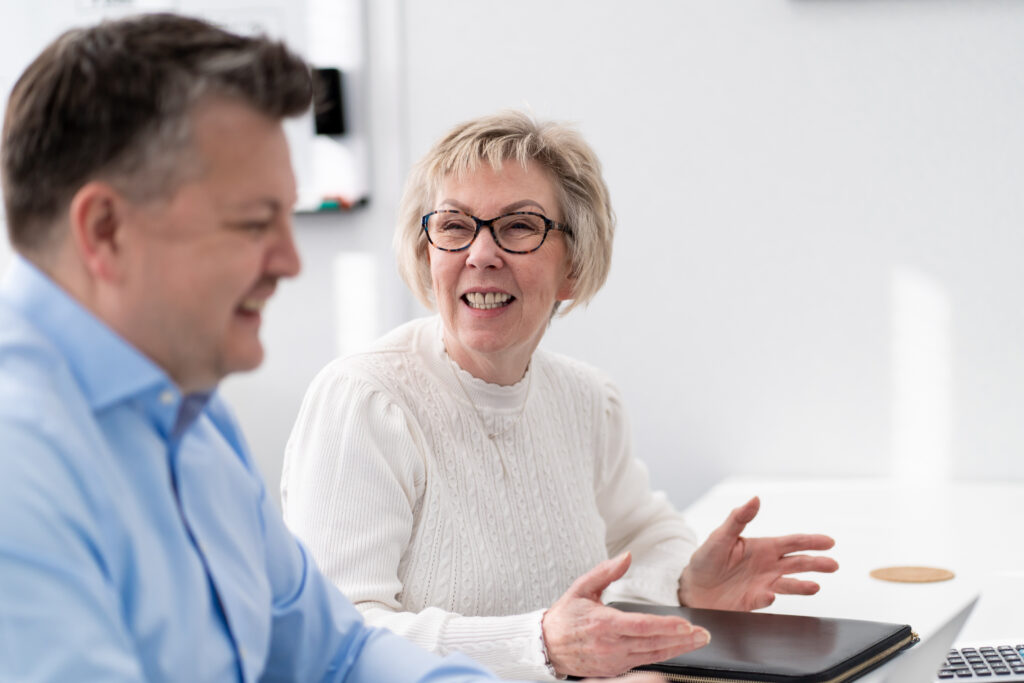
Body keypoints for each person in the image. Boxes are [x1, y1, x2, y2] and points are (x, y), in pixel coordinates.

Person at [0, 15, 665, 683]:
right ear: (106, 230)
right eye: (254, 222)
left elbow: (337, 652)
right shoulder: (20, 464)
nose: (290, 261)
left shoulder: (195, 427)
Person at [281, 111, 842, 680]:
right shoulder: (367, 401)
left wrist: (684, 584)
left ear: (573, 264)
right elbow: (334, 640)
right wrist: (541, 644)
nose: (481, 254)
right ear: (427, 253)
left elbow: (652, 533)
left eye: (520, 226)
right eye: (454, 226)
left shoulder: (586, 399)